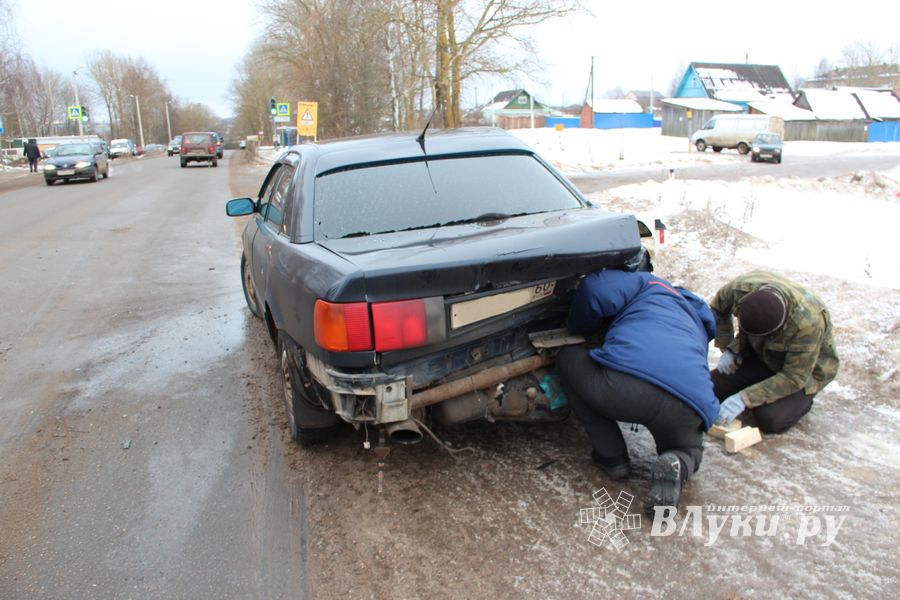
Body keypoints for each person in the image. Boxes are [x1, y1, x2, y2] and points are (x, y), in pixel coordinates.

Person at [557, 269, 719, 517]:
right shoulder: (695, 321)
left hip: (626, 387)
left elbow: (596, 290)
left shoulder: (648, 283)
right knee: (690, 450)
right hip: (689, 404)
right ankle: (677, 461)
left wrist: (579, 327)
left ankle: (612, 457)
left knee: (569, 359)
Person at [710, 271, 838, 433]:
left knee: (770, 419)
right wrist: (729, 347)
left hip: (804, 372)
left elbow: (794, 377)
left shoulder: (807, 324)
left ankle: (802, 400)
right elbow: (718, 310)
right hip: (761, 356)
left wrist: (745, 398)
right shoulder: (739, 289)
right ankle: (758, 379)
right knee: (708, 388)